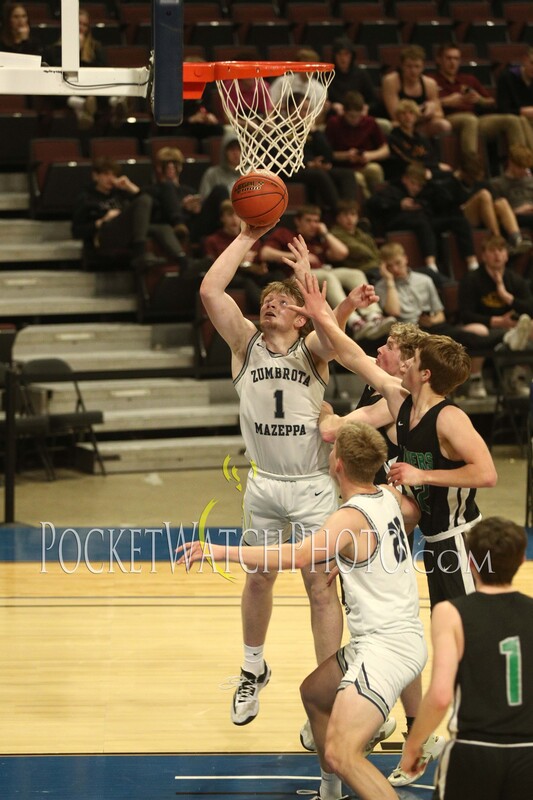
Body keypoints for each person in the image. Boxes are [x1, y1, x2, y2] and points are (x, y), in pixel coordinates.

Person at [178, 420, 427, 800]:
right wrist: (347, 560)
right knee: (313, 693)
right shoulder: (389, 497)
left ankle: (345, 769)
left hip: (386, 649)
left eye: (332, 451)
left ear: (338, 464)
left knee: (343, 754)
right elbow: (412, 515)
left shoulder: (347, 518)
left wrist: (219, 551)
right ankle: (330, 793)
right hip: (395, 638)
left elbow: (294, 554)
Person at [198, 226, 376, 731]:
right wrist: (245, 236)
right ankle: (253, 667)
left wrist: (321, 295)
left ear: (300, 316)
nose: (269, 304)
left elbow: (330, 332)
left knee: (320, 588)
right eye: (266, 299)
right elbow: (211, 291)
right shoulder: (244, 345)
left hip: (313, 486)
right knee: (259, 576)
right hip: (265, 483)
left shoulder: (313, 351)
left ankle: (329, 688)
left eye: (282, 300)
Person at [289, 272, 498, 611]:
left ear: (425, 374)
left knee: (470, 633)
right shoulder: (400, 400)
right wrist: (321, 313)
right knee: (447, 628)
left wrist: (423, 476)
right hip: (433, 539)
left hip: (460, 538)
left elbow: (487, 474)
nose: (405, 364)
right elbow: (352, 355)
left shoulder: (449, 418)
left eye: (413, 361)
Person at [400, 516, 533, 800]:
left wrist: (414, 744)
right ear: (522, 559)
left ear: (470, 561)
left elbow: (439, 696)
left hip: (475, 748)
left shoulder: (450, 613)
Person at [375, 241, 507, 398]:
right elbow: (393, 310)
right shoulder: (382, 286)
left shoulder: (424, 280)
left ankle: (502, 340)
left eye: (398, 263)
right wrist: (390, 282)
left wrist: (431, 320)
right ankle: (505, 339)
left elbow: (440, 314)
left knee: (463, 337)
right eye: (390, 266)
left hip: (431, 325)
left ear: (406, 258)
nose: (396, 269)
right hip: (407, 332)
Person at [260, 205, 395, 341]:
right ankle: (356, 323)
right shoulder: (284, 233)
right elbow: (265, 253)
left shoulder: (318, 239)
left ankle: (374, 316)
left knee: (355, 273)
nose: (313, 225)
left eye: (316, 221)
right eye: (308, 221)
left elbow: (342, 252)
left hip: (322, 270)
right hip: (295, 277)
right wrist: (299, 257)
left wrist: (324, 233)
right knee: (328, 277)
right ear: (298, 221)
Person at [71, 157, 187, 272]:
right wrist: (102, 220)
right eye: (106, 174)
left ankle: (183, 260)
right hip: (103, 236)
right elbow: (76, 231)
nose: (110, 179)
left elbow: (153, 207)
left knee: (163, 227)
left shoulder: (121, 194)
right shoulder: (86, 198)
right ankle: (140, 252)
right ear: (96, 176)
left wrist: (130, 187)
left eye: (113, 175)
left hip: (125, 233)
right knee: (144, 199)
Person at [366, 162, 479, 275]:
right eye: (413, 183)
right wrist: (400, 204)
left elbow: (446, 199)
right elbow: (373, 203)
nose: (416, 188)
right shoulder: (392, 189)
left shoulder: (427, 190)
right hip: (398, 221)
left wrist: (431, 182)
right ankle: (431, 266)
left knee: (460, 222)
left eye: (420, 185)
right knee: (422, 223)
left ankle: (472, 264)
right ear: (405, 179)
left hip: (427, 221)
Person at [458, 235, 533, 396]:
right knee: (479, 331)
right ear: (484, 256)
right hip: (484, 327)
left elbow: (529, 309)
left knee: (528, 329)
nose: (497, 255)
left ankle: (518, 377)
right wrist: (496, 321)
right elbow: (465, 314)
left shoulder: (516, 280)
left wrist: (507, 297)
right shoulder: (471, 279)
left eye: (501, 250)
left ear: (506, 254)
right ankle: (476, 380)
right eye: (492, 251)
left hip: (513, 327)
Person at [432, 42, 526, 157]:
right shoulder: (432, 80)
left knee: (513, 120)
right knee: (469, 120)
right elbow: (427, 104)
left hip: (476, 119)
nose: (453, 62)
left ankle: (522, 163)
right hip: (448, 119)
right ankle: (472, 167)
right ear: (439, 60)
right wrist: (446, 102)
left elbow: (492, 102)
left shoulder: (468, 79)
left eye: (456, 59)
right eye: (448, 58)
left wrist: (479, 100)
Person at [203, 200, 285, 313]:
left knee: (277, 275)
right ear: (222, 218)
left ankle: (285, 308)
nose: (234, 219)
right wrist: (238, 260)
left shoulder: (253, 239)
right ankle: (264, 309)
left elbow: (260, 265)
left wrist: (260, 268)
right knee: (246, 281)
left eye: (237, 215)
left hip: (252, 274)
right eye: (229, 215)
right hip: (231, 278)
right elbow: (212, 268)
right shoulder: (213, 240)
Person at [453, 153, 533, 254]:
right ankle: (498, 240)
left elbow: (495, 202)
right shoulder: (453, 182)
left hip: (487, 216)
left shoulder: (482, 183)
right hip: (463, 217)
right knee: (484, 194)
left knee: (502, 202)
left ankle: (516, 239)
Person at [325, 91, 390, 198]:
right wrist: (346, 155)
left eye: (358, 116)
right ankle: (366, 205)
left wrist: (369, 156)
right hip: (344, 167)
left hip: (365, 163)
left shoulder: (370, 122)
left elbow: (385, 149)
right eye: (351, 116)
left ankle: (380, 200)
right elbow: (327, 153)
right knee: (357, 178)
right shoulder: (334, 123)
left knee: (375, 169)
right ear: (344, 112)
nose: (355, 120)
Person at [381, 45, 451, 139]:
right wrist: (419, 111)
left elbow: (440, 114)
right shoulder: (391, 81)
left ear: (423, 67)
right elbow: (396, 116)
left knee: (444, 125)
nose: (413, 71)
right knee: (395, 125)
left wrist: (430, 111)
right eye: (409, 66)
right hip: (399, 124)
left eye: (417, 67)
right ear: (402, 66)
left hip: (420, 125)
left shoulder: (429, 84)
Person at [386, 99, 452, 181]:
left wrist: (435, 166)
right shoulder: (394, 138)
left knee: (449, 174)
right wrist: (434, 167)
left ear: (416, 116)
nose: (408, 117)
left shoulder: (421, 137)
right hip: (407, 173)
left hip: (427, 169)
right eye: (403, 113)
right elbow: (406, 161)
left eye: (411, 113)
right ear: (398, 117)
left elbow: (431, 156)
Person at [329, 199, 381, 279]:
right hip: (358, 271)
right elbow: (358, 250)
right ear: (338, 218)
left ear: (357, 217)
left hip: (374, 267)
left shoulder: (361, 234)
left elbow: (376, 252)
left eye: (353, 214)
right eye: (345, 215)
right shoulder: (335, 234)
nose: (350, 218)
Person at [496, 46, 533, 151]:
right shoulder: (507, 77)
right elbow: (502, 109)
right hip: (516, 118)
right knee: (521, 120)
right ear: (525, 60)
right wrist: (522, 111)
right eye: (532, 63)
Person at [490, 144, 533, 230]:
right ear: (511, 163)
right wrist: (518, 211)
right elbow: (498, 214)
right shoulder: (497, 184)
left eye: (526, 168)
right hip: (515, 217)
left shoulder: (531, 180)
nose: (524, 171)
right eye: (521, 167)